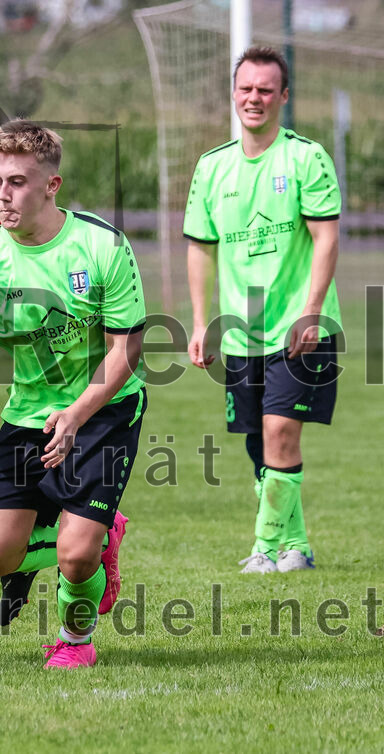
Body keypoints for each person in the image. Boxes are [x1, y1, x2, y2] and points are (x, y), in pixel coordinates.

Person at [0, 120, 145, 668]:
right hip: (28, 417)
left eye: (17, 182)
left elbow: (126, 351)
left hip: (104, 411)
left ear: (52, 185)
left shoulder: (102, 247)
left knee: (74, 555)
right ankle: (96, 537)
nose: (3, 194)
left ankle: (75, 639)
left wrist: (77, 412)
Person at [185, 45, 342, 574]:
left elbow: (325, 239)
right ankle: (295, 544)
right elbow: (200, 247)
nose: (255, 98)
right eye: (246, 88)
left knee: (280, 432)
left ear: (284, 97)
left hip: (300, 327)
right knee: (259, 442)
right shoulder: (211, 167)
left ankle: (264, 549)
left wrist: (313, 310)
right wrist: (202, 319)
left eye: (266, 90)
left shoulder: (306, 158)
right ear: (234, 94)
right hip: (240, 332)